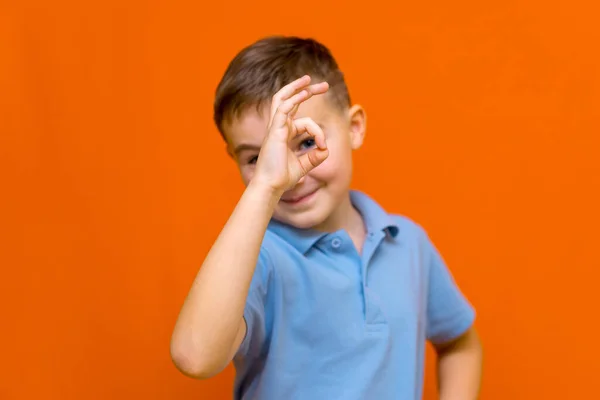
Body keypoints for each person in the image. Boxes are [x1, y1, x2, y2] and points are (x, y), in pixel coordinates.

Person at [170, 36, 483, 400]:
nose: (290, 174)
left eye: (305, 142)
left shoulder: (407, 243)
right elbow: (195, 356)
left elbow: (461, 343)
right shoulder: (258, 259)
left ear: (354, 128)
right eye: (257, 159)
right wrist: (263, 188)